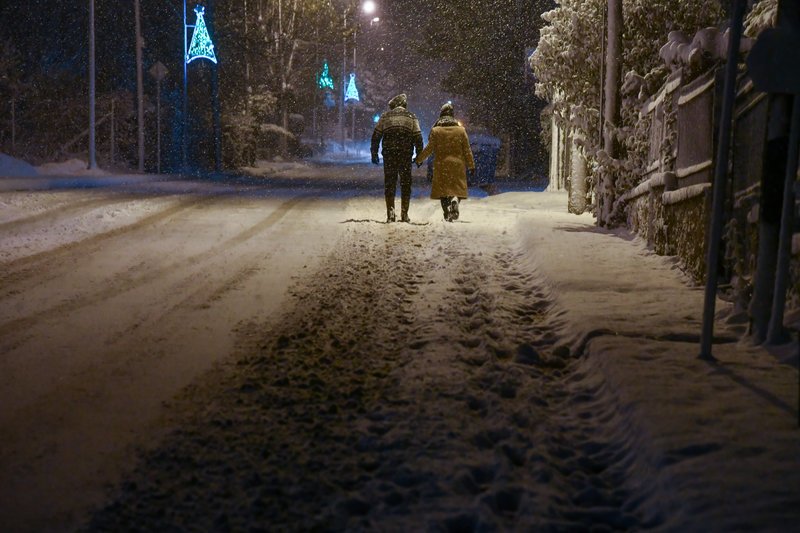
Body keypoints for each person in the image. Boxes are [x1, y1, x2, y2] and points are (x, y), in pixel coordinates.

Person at [415, 102, 475, 222]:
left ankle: (447, 212)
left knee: (443, 192)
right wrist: (471, 165)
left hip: (441, 165)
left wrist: (419, 159)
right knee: (457, 189)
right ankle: (455, 200)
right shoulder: (461, 131)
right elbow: (467, 150)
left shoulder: (436, 131)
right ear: (452, 115)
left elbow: (429, 149)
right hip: (458, 164)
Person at [371, 93, 424, 223]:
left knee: (390, 183)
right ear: (404, 104)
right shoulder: (412, 117)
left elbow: (376, 136)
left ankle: (390, 212)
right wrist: (419, 156)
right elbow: (418, 138)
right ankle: (404, 213)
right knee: (406, 184)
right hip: (405, 155)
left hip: (389, 155)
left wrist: (374, 153)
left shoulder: (385, 116)